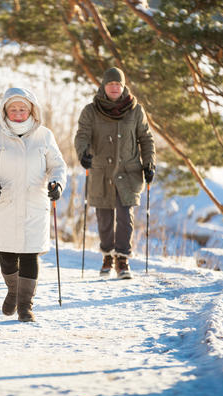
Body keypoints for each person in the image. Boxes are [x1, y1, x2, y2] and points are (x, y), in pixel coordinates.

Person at [0, 87, 67, 322]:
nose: (18, 112)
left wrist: (57, 184)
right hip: (5, 203)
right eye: (13, 108)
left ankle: (25, 306)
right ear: (5, 111)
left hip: (35, 203)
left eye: (22, 108)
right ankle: (14, 291)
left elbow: (57, 166)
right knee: (6, 254)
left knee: (30, 254)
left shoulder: (44, 136)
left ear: (31, 110)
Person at [74, 67, 156, 279]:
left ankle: (122, 259)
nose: (114, 88)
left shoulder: (136, 110)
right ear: (103, 86)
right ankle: (107, 256)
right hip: (101, 172)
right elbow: (82, 135)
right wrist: (83, 153)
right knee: (104, 218)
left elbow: (146, 138)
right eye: (110, 84)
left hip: (128, 172)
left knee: (124, 215)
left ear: (123, 86)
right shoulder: (91, 111)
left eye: (118, 84)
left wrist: (149, 163)